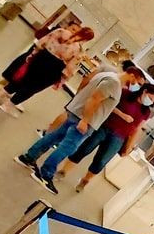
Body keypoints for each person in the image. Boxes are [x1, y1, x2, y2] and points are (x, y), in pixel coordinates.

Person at [14, 65, 145, 194]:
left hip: (77, 113)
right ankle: (45, 174)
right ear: (132, 75)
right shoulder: (113, 83)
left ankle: (29, 157)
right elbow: (94, 99)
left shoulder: (109, 77)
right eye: (137, 82)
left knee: (54, 137)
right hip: (84, 119)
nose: (136, 86)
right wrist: (85, 120)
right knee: (67, 147)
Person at [59, 83, 154, 192]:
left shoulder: (145, 112)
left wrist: (129, 146)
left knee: (101, 161)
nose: (149, 102)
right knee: (84, 149)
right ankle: (64, 171)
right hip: (104, 127)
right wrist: (122, 115)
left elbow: (137, 129)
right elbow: (108, 106)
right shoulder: (125, 94)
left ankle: (85, 181)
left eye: (153, 102)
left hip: (119, 137)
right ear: (144, 91)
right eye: (150, 98)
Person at [0, 24, 94, 116]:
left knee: (23, 78)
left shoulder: (61, 31)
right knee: (32, 88)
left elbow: (42, 41)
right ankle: (8, 105)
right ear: (87, 40)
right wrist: (62, 80)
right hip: (54, 68)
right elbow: (70, 69)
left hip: (41, 57)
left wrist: (33, 54)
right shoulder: (79, 50)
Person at [42, 59, 140, 135]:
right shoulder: (119, 81)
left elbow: (88, 78)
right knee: (71, 121)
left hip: (85, 95)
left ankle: (49, 132)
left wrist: (79, 91)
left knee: (67, 115)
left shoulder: (107, 69)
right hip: (95, 105)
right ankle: (52, 134)